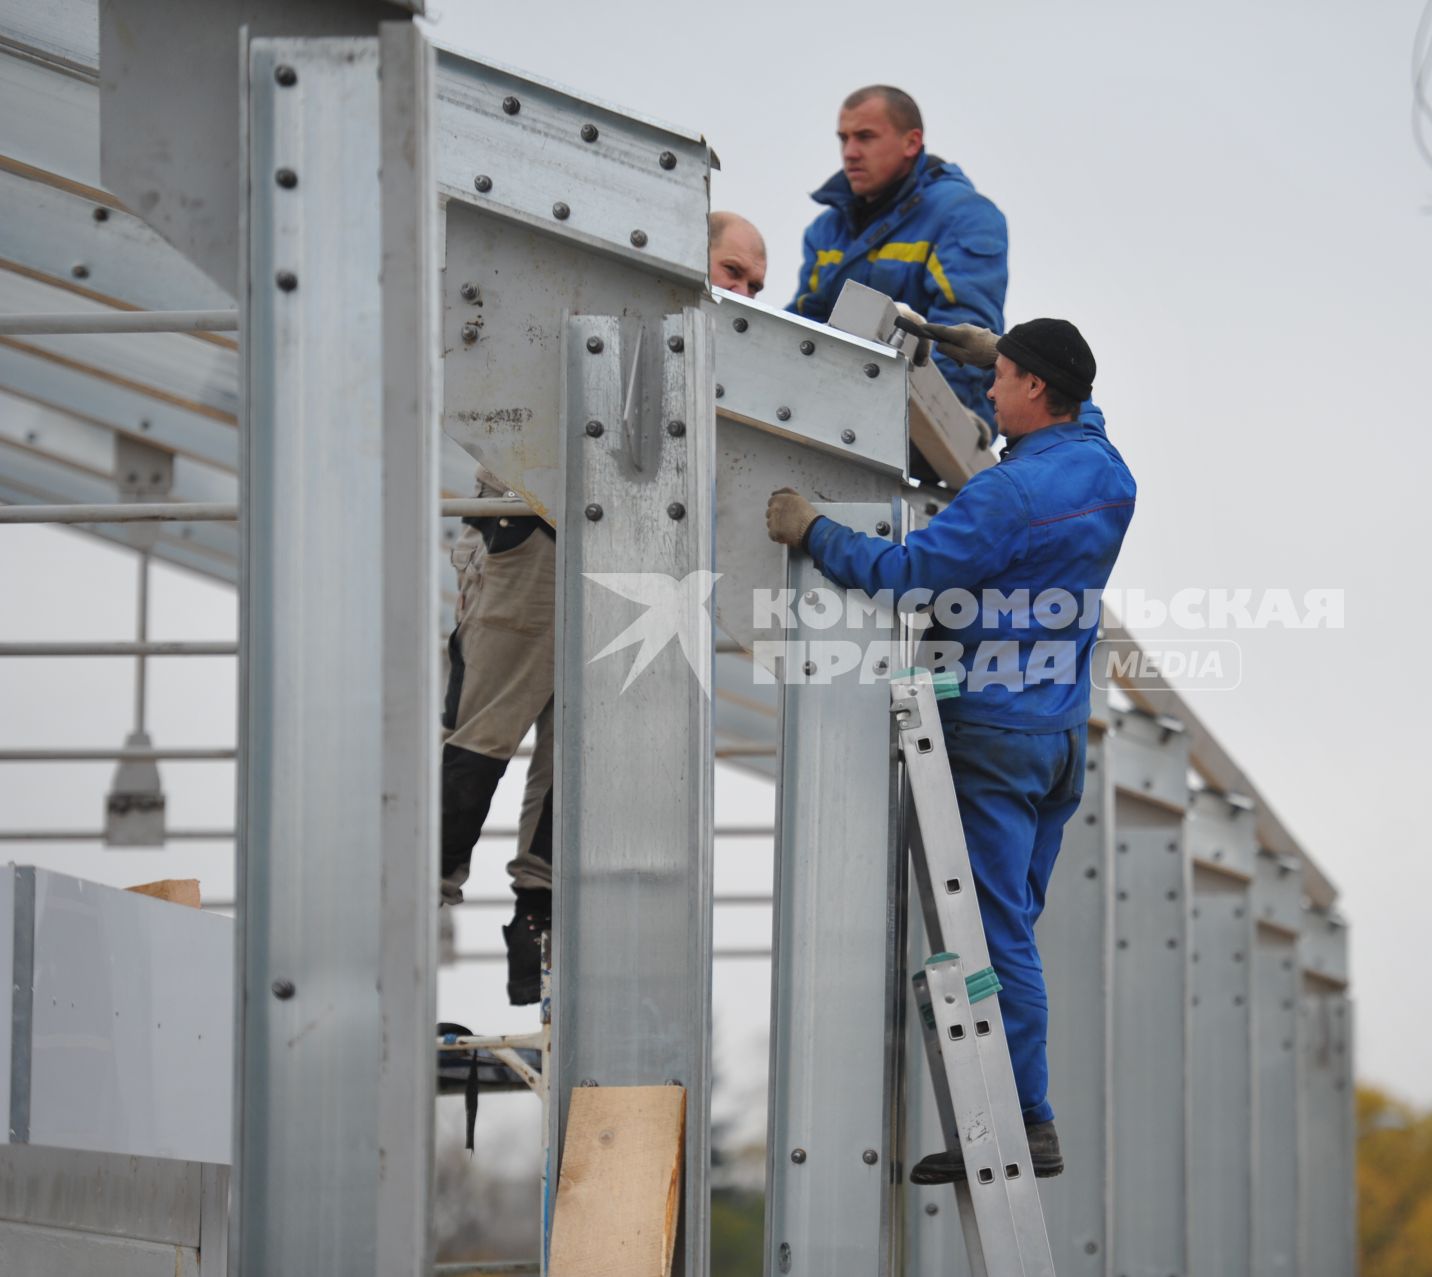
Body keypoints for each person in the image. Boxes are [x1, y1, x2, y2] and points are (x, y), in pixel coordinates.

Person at [764, 318, 1133, 1181]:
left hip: (996, 737)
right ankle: (1011, 1114)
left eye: (1002, 377)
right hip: (1056, 742)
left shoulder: (1006, 498)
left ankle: (1022, 1127)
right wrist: (995, 348)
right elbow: (1088, 416)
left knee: (993, 939)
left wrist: (814, 530)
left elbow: (908, 578)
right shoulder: (1110, 476)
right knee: (1011, 932)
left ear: (1035, 389)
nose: (991, 389)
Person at [442, 212, 769, 1005]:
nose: (744, 293)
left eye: (755, 285)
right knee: (486, 726)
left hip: (621, 549)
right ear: (692, 260)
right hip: (539, 532)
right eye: (732, 272)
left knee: (579, 748)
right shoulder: (609, 303)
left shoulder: (712, 351)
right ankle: (423, 885)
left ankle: (537, 917)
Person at [788, 85, 1008, 433]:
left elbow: (963, 336)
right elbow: (803, 325)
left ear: (911, 142)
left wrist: (952, 423)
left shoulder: (964, 216)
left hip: (923, 422)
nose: (850, 152)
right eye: (843, 139)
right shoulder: (825, 229)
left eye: (865, 137)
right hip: (835, 406)